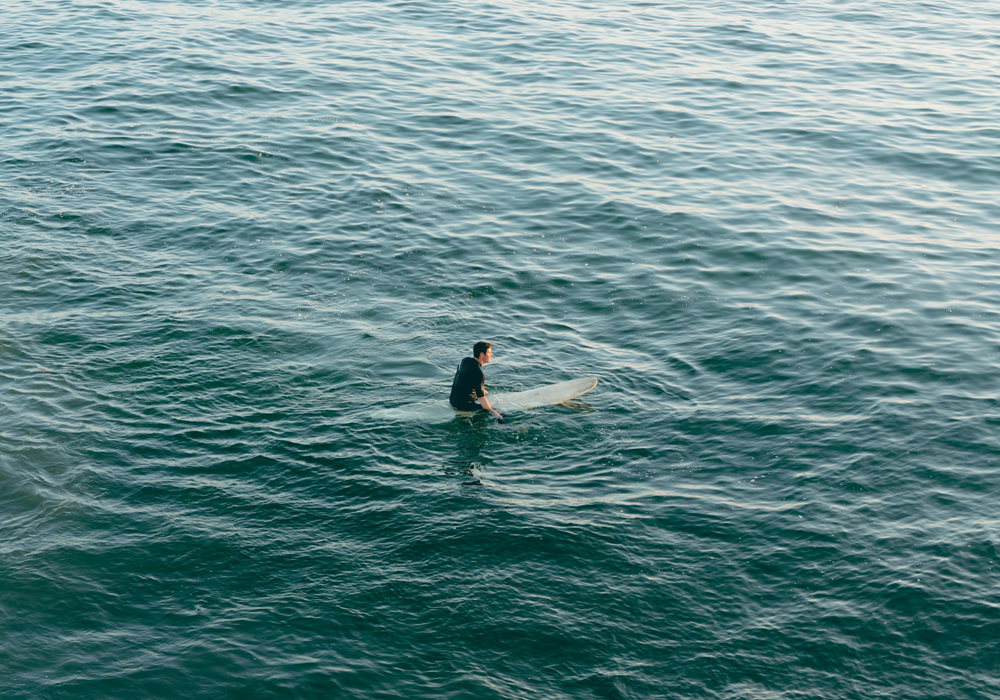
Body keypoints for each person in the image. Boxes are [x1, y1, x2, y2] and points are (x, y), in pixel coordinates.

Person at [449, 341, 504, 422]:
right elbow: (481, 399)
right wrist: (492, 411)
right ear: (482, 354)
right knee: (500, 412)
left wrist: (482, 390)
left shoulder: (465, 361)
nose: (491, 355)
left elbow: (465, 379)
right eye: (489, 353)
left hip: (452, 400)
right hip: (464, 406)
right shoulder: (478, 373)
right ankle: (509, 426)